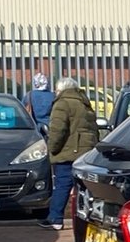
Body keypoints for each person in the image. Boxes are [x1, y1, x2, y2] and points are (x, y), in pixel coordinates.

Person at [38, 77, 99, 231]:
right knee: (84, 188)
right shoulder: (84, 103)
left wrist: (52, 149)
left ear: (60, 89)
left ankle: (55, 218)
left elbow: (57, 130)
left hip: (68, 152)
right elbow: (93, 128)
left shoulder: (62, 103)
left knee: (62, 185)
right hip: (86, 152)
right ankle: (89, 218)